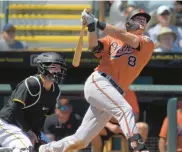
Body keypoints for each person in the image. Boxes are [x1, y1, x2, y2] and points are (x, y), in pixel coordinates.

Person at [39, 8, 154, 152]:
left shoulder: (147, 42)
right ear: (128, 23)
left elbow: (123, 35)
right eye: (137, 18)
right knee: (125, 110)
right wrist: (91, 27)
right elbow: (93, 46)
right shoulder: (111, 39)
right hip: (100, 82)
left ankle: (45, 150)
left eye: (144, 20)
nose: (142, 21)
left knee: (81, 141)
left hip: (114, 92)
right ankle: (138, 147)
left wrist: (96, 22)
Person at [0, 52, 67, 152]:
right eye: (54, 67)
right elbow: (16, 109)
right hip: (8, 125)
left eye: (59, 67)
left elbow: (43, 116)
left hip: (28, 129)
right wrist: (28, 131)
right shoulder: (32, 83)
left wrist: (36, 133)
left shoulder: (56, 91)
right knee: (25, 148)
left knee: (52, 149)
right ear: (43, 68)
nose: (58, 71)